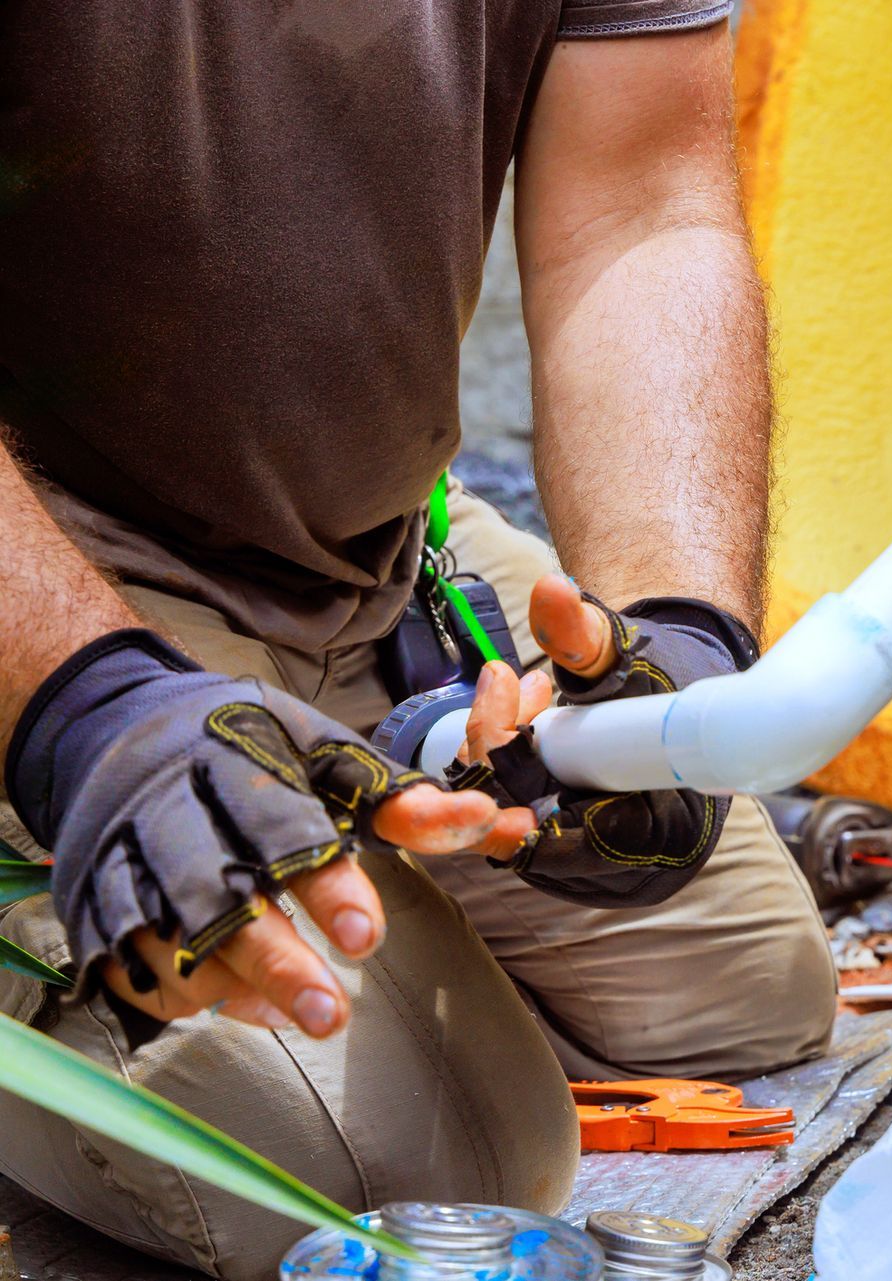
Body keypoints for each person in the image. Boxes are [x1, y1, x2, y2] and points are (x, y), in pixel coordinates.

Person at [0, 2, 837, 1276]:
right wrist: (83, 716)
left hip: (379, 557)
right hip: (53, 576)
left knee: (737, 993)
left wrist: (674, 635)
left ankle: (357, 812)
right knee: (379, 1169)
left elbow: (645, 209)